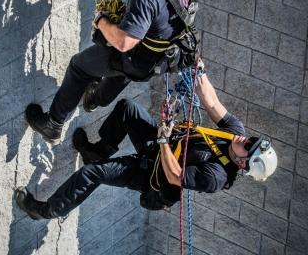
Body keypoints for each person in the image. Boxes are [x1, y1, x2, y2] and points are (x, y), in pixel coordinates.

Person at [15, 67, 278, 219]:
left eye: (249, 146)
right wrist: (199, 69)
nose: (246, 140)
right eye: (253, 140)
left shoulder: (216, 177)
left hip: (151, 174)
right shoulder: (234, 134)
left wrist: (164, 137)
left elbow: (175, 175)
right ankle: (97, 151)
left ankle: (45, 210)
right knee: (127, 109)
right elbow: (211, 102)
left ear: (243, 162)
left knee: (90, 175)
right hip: (159, 145)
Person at [26, 0, 199, 144]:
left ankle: (53, 125)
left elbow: (124, 42)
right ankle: (94, 100)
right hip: (160, 57)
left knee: (80, 66)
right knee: (122, 73)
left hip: (133, 54)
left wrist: (102, 21)